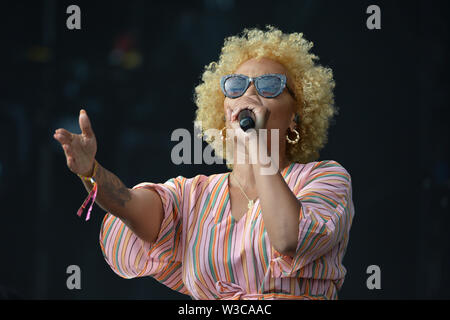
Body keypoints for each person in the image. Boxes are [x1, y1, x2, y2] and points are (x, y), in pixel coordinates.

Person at [53, 25, 355, 300]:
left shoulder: (324, 178)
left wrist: (257, 147)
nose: (250, 93)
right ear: (225, 111)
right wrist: (91, 171)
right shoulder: (194, 195)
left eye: (269, 85)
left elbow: (290, 238)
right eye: (236, 86)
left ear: (295, 116)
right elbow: (129, 204)